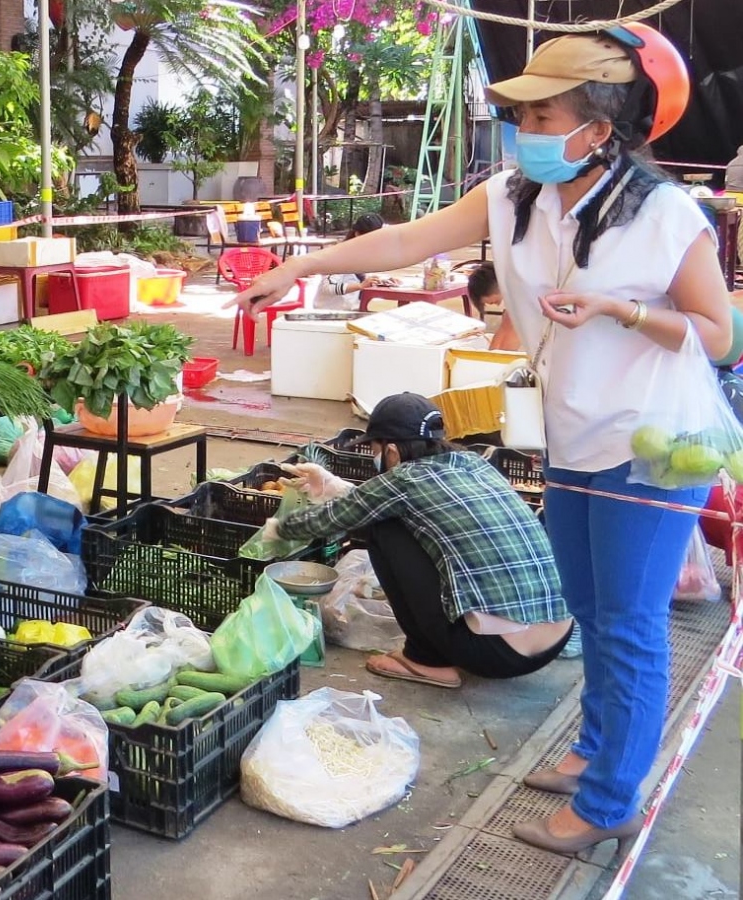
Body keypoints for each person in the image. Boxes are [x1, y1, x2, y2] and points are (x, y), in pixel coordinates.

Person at [231, 26, 732, 855]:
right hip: (575, 436)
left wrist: (623, 311)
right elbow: (404, 240)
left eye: (541, 115)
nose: (523, 130)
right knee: (592, 610)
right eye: (521, 114)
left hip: (652, 443)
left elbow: (718, 334)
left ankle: (611, 802)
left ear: (598, 130)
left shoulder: (666, 215)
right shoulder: (512, 197)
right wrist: (300, 268)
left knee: (630, 624)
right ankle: (596, 752)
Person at [268, 393, 573, 689]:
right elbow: (385, 501)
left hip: (497, 655)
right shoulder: (473, 464)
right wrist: (331, 486)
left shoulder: (405, 479)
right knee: (391, 518)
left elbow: (337, 517)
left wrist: (277, 529)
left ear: (392, 452)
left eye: (374, 448)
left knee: (382, 527)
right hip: (555, 639)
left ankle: (425, 660)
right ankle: (446, 646)